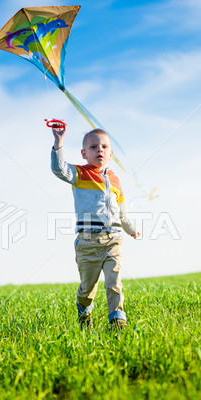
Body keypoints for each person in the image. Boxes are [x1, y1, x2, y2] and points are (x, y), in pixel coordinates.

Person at [51, 125, 140, 330]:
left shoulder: (116, 180)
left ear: (110, 154)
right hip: (87, 243)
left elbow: (123, 213)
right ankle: (84, 313)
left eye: (104, 146)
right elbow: (59, 169)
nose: (99, 149)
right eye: (93, 146)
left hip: (113, 240)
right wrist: (58, 142)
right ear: (84, 153)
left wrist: (131, 229)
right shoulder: (80, 174)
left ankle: (117, 320)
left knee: (114, 282)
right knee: (87, 288)